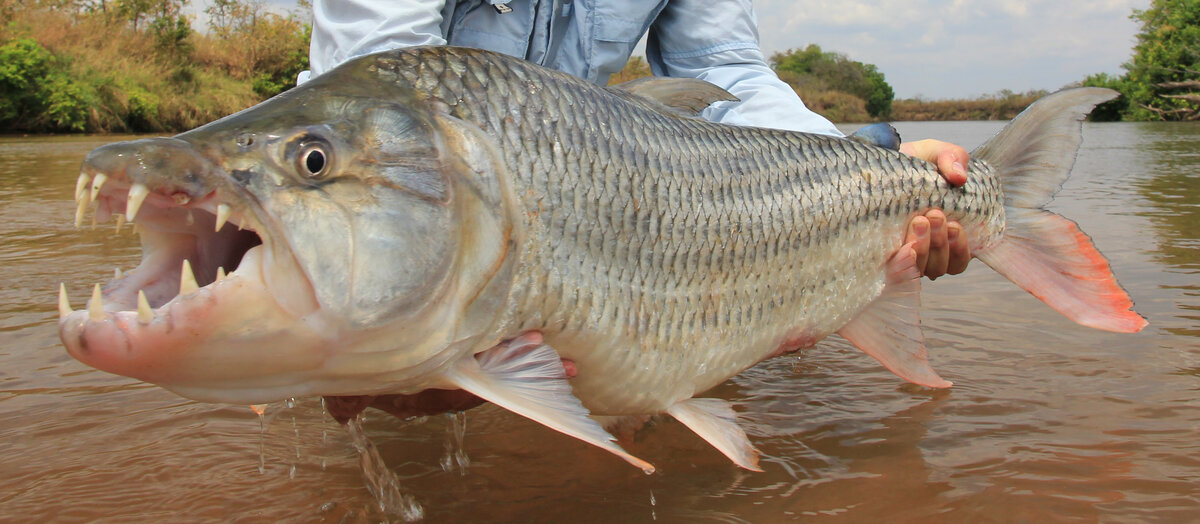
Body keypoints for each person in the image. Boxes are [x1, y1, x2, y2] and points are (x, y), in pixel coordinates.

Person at [305, 0, 972, 422]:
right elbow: (383, 87)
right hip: (398, 183)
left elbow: (725, 71)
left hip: (585, 198)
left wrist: (868, 163)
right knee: (383, 362)